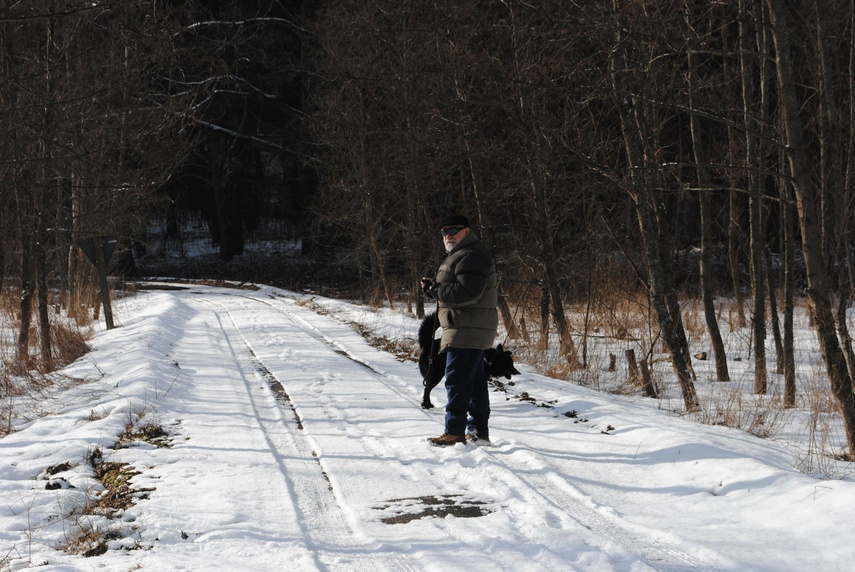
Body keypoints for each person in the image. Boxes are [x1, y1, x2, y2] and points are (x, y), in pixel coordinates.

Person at [420, 214, 498, 446]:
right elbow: (458, 288)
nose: (448, 235)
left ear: (467, 231)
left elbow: (467, 292)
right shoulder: (464, 254)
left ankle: (454, 432)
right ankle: (478, 431)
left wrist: (436, 290)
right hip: (469, 326)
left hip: (466, 328)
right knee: (474, 383)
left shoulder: (470, 255)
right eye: (444, 231)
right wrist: (435, 288)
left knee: (456, 381)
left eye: (454, 230)